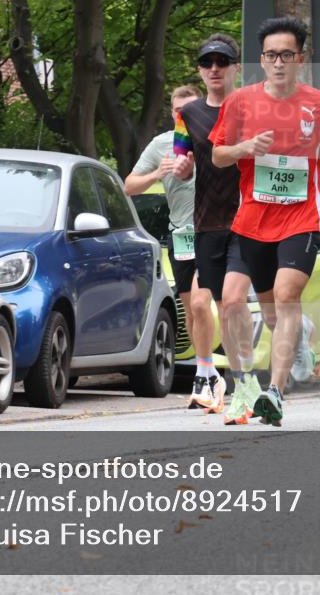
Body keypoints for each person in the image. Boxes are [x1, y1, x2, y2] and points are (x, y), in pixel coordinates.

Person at [210, 16, 320, 426]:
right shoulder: (241, 102)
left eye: (286, 54)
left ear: (300, 59)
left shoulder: (316, 103)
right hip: (253, 219)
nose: (278, 62)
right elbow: (218, 155)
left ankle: (275, 394)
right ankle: (269, 360)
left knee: (285, 295)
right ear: (261, 60)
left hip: (301, 216)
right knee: (239, 304)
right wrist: (245, 146)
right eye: (270, 55)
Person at [171, 33, 256, 419]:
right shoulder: (186, 115)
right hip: (206, 222)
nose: (215, 69)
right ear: (200, 70)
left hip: (246, 220)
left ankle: (244, 384)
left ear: (235, 67)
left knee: (233, 304)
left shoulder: (253, 108)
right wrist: (183, 167)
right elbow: (181, 158)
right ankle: (212, 378)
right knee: (211, 304)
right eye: (208, 63)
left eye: (223, 62)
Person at [124, 85, 206, 406]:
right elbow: (129, 185)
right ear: (172, 113)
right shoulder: (161, 145)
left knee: (204, 301)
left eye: (189, 110)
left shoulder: (216, 138)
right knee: (190, 310)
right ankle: (205, 369)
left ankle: (211, 374)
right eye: (177, 111)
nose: (183, 116)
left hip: (215, 234)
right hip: (181, 236)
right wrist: (156, 173)